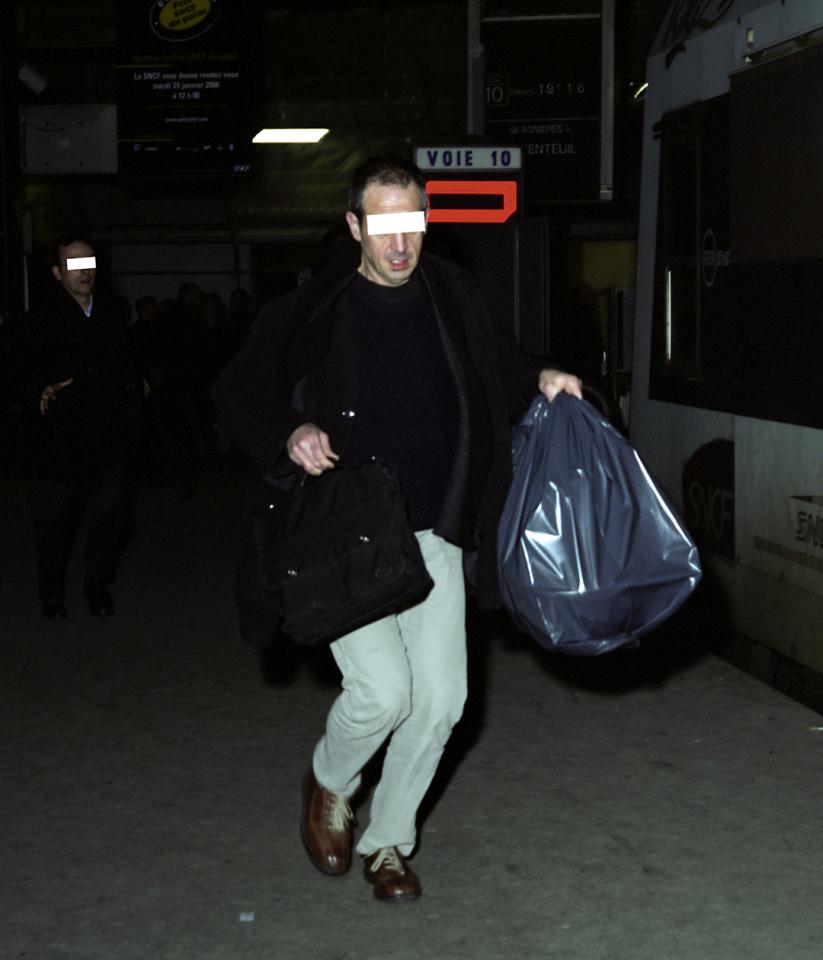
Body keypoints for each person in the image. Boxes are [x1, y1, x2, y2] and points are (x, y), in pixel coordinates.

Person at [211, 155, 581, 903]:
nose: (399, 242)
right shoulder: (313, 308)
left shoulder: (452, 293)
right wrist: (291, 429)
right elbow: (237, 390)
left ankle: (388, 842)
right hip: (347, 530)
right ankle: (328, 780)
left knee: (441, 701)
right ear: (354, 227)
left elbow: (493, 371)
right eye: (382, 224)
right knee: (382, 693)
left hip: (435, 525)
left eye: (411, 222)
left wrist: (537, 379)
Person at [25, 235, 141, 618]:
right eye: (73, 265)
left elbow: (125, 359)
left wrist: (135, 381)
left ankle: (96, 580)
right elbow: (21, 369)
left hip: (107, 433)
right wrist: (38, 386)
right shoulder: (40, 318)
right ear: (58, 273)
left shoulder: (113, 311)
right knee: (55, 522)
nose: (84, 271)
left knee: (111, 509)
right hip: (60, 437)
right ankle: (52, 590)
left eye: (88, 262)